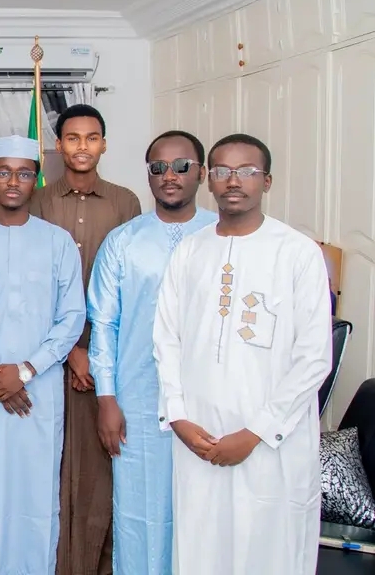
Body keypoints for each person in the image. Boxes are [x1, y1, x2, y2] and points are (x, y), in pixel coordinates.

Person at [152, 133, 331, 574]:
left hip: (271, 444)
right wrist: (177, 416)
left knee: (268, 550)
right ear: (208, 181)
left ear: (267, 181)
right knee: (201, 549)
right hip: (199, 438)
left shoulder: (298, 253)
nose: (234, 181)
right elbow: (166, 339)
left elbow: (313, 358)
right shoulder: (190, 251)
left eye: (247, 171)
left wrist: (255, 432)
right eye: (223, 171)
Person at [0, 135, 85, 575]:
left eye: (24, 173)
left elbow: (72, 318)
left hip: (39, 391)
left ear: (36, 180)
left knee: (34, 495)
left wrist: (26, 371)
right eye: (4, 172)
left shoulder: (58, 242)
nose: (14, 181)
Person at [86, 131, 216, 575]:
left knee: (203, 511)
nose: (169, 176)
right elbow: (104, 324)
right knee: (140, 511)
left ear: (201, 172)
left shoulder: (222, 236)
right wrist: (106, 398)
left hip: (209, 402)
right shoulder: (123, 241)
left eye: (181, 166)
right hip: (138, 401)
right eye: (158, 168)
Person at [27, 103, 141, 575]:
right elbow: (31, 287)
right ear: (59, 145)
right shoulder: (36, 202)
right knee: (51, 469)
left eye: (91, 138)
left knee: (99, 471)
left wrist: (94, 353)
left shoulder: (126, 203)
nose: (81, 147)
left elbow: (127, 288)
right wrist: (71, 350)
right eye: (72, 138)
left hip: (108, 363)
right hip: (49, 357)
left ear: (104, 143)